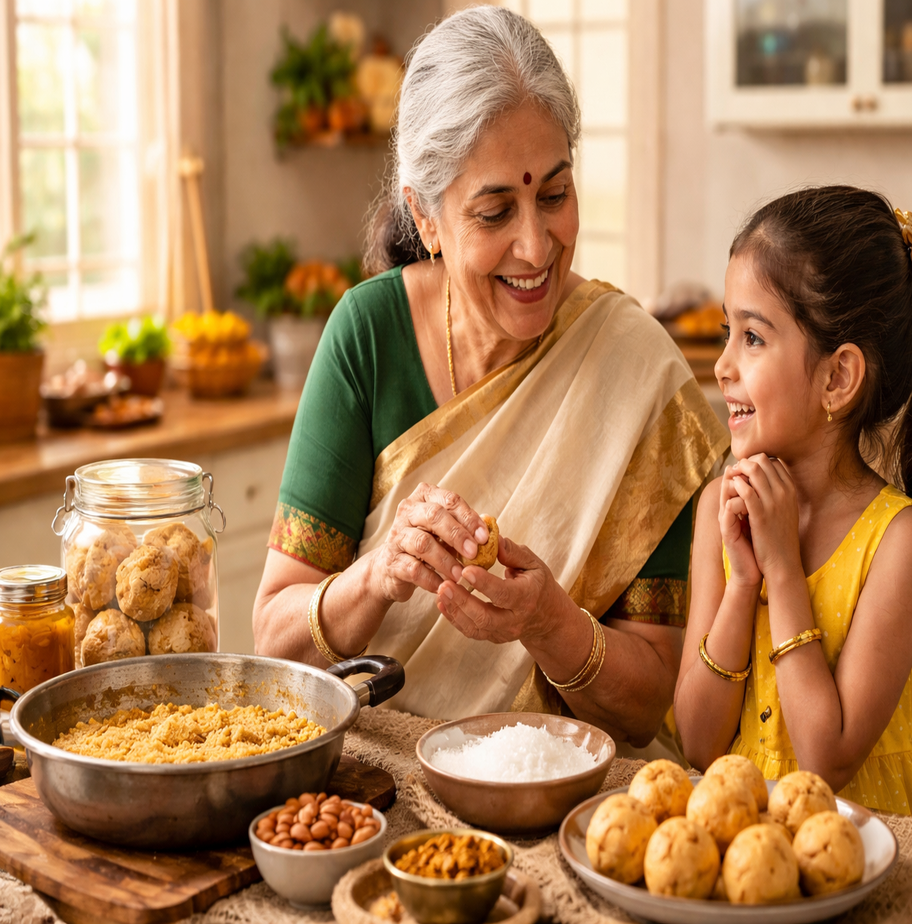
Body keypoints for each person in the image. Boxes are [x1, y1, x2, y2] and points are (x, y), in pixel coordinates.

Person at [252, 6, 729, 758]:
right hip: (374, 776)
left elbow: (647, 704)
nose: (536, 246)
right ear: (426, 216)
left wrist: (548, 624)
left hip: (570, 795)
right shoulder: (368, 335)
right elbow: (277, 639)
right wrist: (380, 575)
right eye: (495, 210)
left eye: (554, 195)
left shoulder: (637, 372)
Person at [674, 186, 912, 818]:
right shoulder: (719, 510)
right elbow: (696, 742)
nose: (721, 365)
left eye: (752, 337)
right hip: (754, 845)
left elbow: (825, 759)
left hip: (876, 856)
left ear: (838, 378)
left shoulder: (901, 542)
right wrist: (742, 580)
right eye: (728, 330)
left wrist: (781, 569)